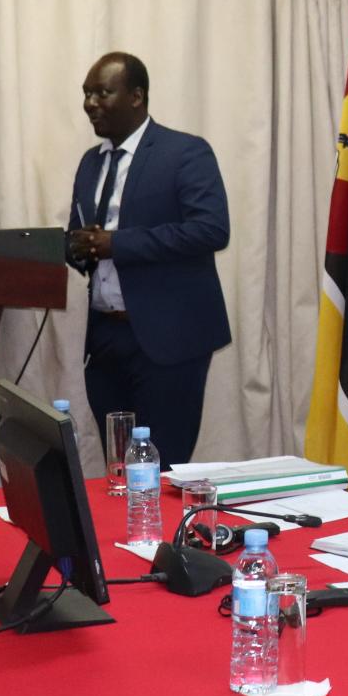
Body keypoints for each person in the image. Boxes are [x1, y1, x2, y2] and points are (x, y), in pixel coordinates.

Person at [67, 52, 230, 465]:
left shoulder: (185, 153)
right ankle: (120, 533)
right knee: (120, 471)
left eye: (103, 92)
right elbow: (85, 233)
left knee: (162, 469)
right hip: (105, 339)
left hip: (167, 340)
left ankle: (163, 532)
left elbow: (211, 229)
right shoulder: (91, 163)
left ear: (137, 96)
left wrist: (115, 244)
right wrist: (78, 248)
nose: (90, 104)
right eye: (87, 94)